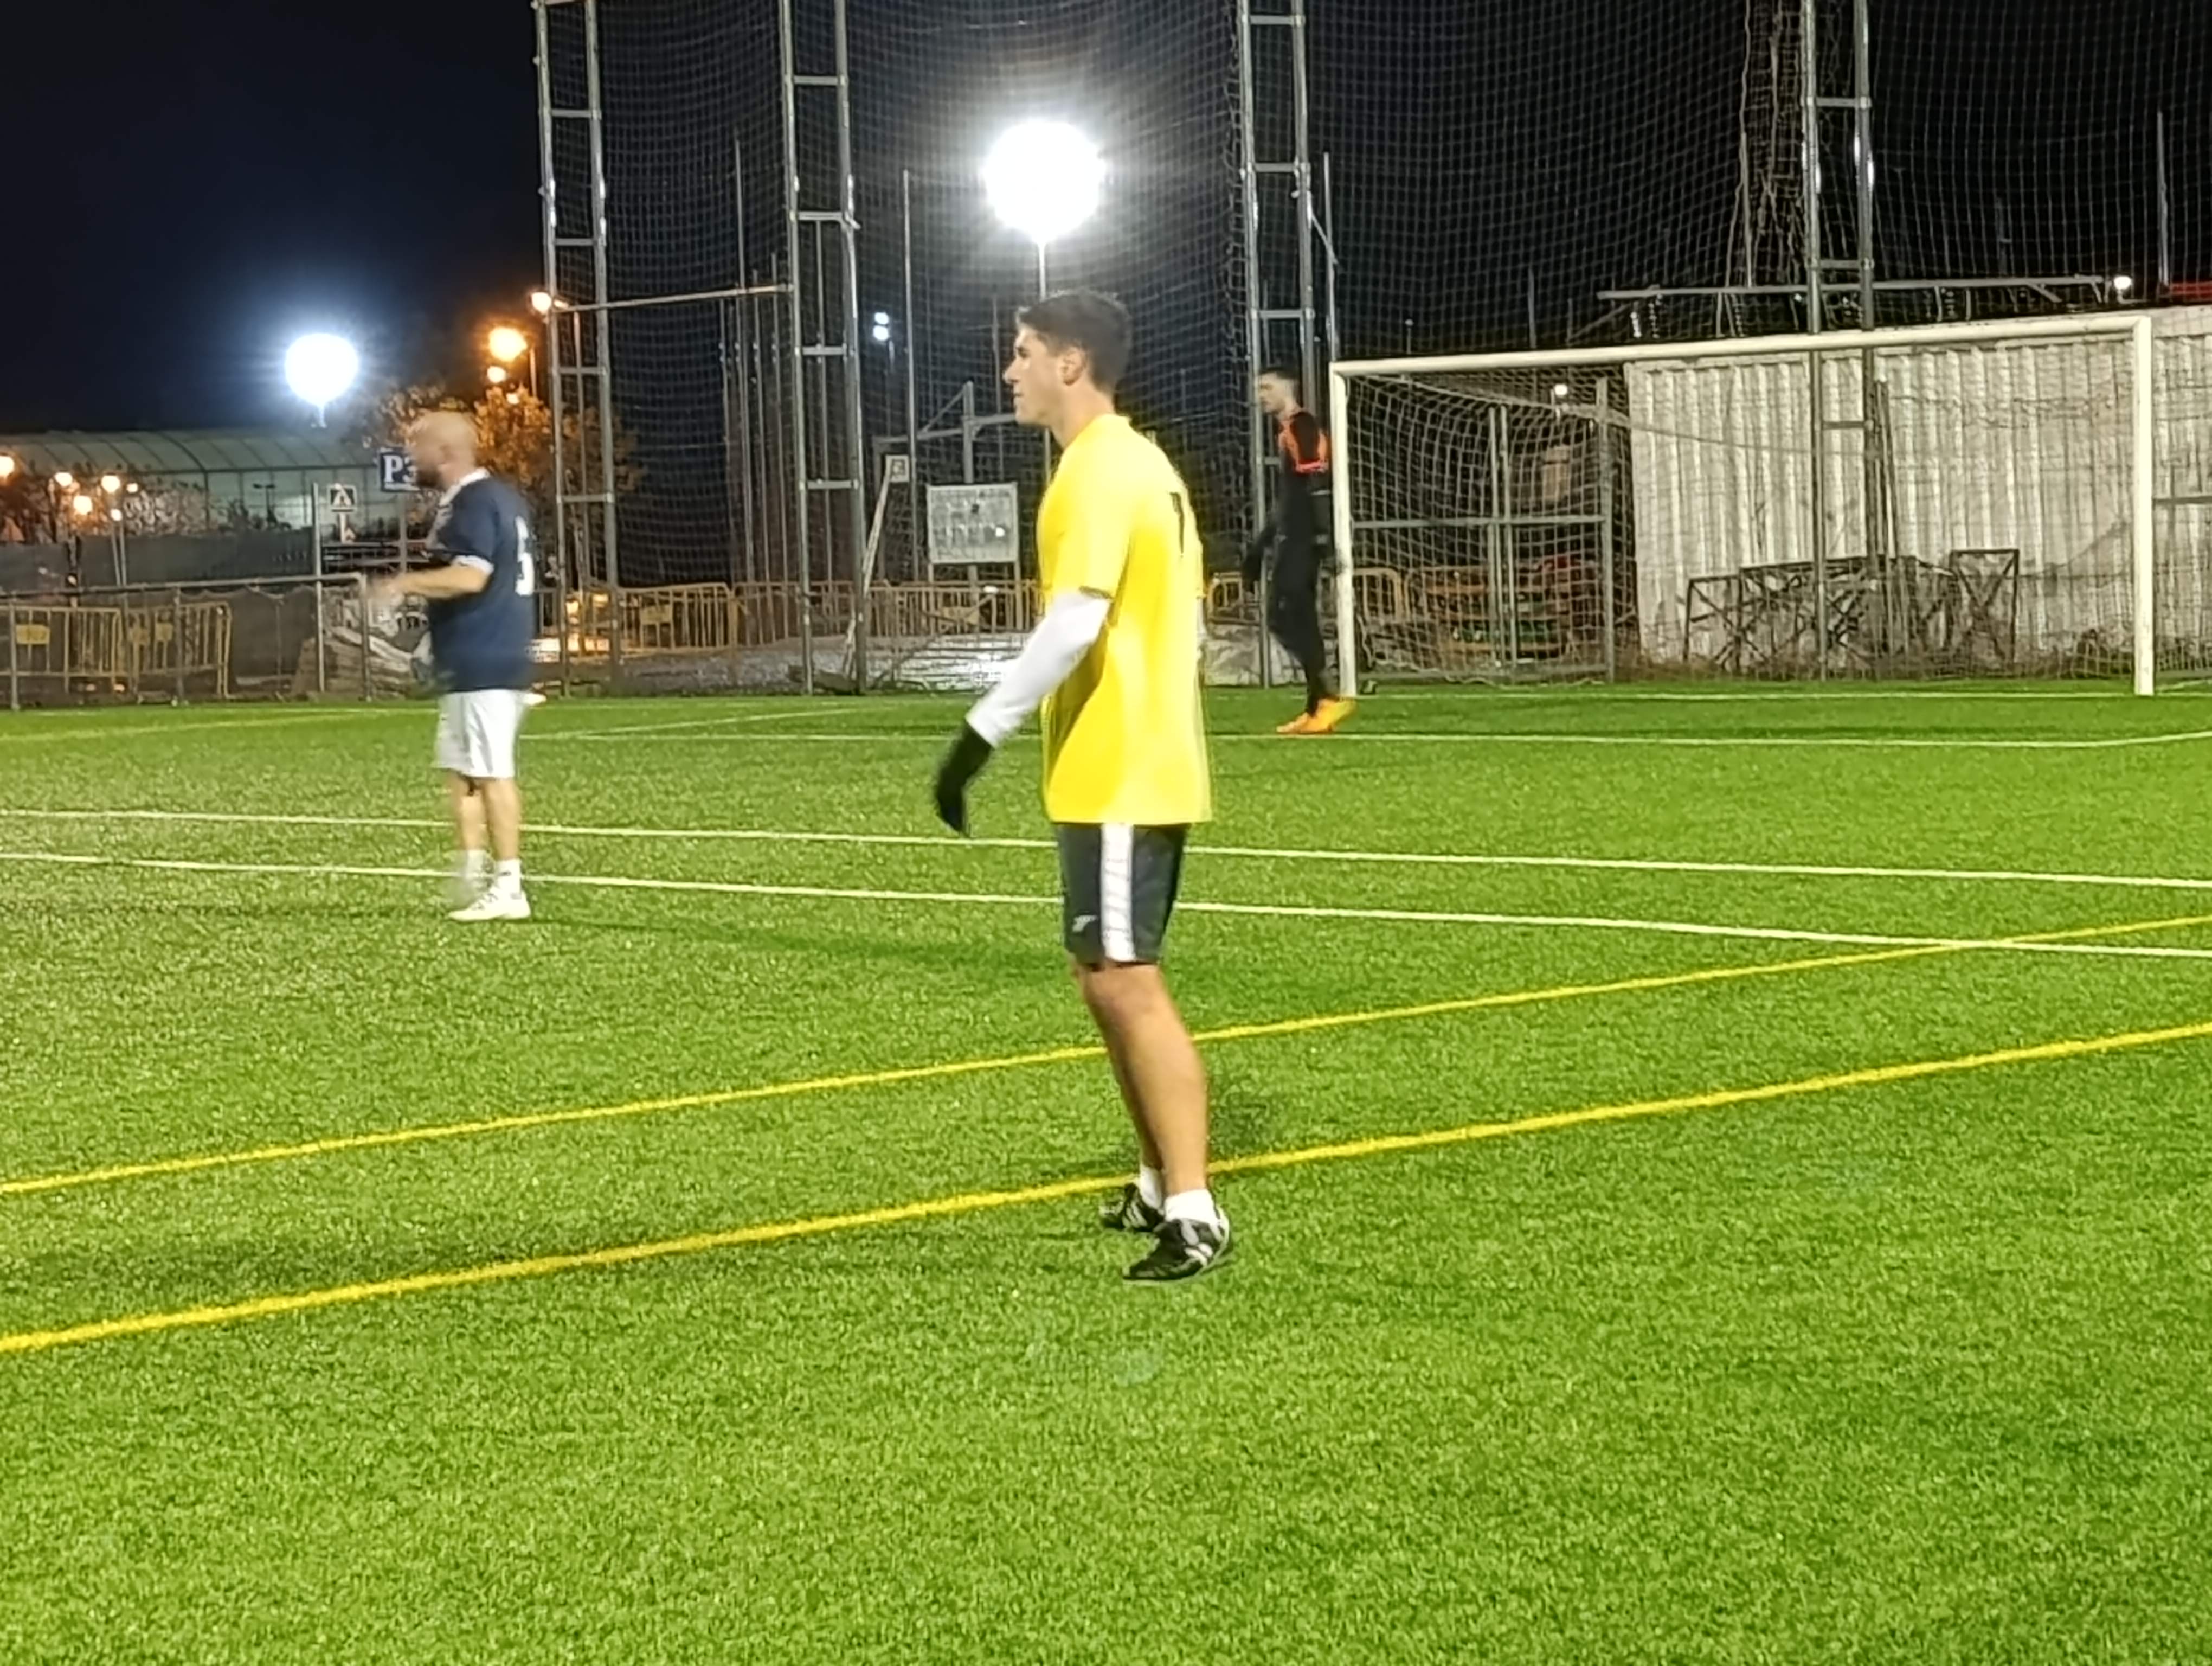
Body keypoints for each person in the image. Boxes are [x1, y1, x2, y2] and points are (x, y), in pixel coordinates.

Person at [931, 290, 1230, 1284]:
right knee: (1104, 973)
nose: (1009, 370)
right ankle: (1157, 1179)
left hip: (1119, 766)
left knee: (1126, 979)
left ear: (1070, 363)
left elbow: (1074, 622)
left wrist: (979, 734)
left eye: (1023, 352)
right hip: (1132, 757)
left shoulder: (1098, 468)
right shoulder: (1143, 463)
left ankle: (1194, 1209)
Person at [369, 411, 539, 923]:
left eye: (416, 445)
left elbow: (471, 577)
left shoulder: (474, 500)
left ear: (444, 452)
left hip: (485, 657)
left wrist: (403, 585)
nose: (409, 456)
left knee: (491, 773)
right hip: (473, 658)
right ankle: (472, 869)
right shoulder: (496, 497)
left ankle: (509, 887)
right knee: (464, 772)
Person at [1244, 366, 1355, 735]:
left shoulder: (1302, 426)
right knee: (1295, 616)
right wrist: (1260, 546)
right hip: (1294, 536)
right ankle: (1316, 707)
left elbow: (1317, 484)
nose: (1260, 396)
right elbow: (1289, 497)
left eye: (1267, 387)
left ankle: (1327, 696)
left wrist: (1323, 539)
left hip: (1304, 538)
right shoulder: (1288, 431)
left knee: (1285, 615)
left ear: (1287, 388)